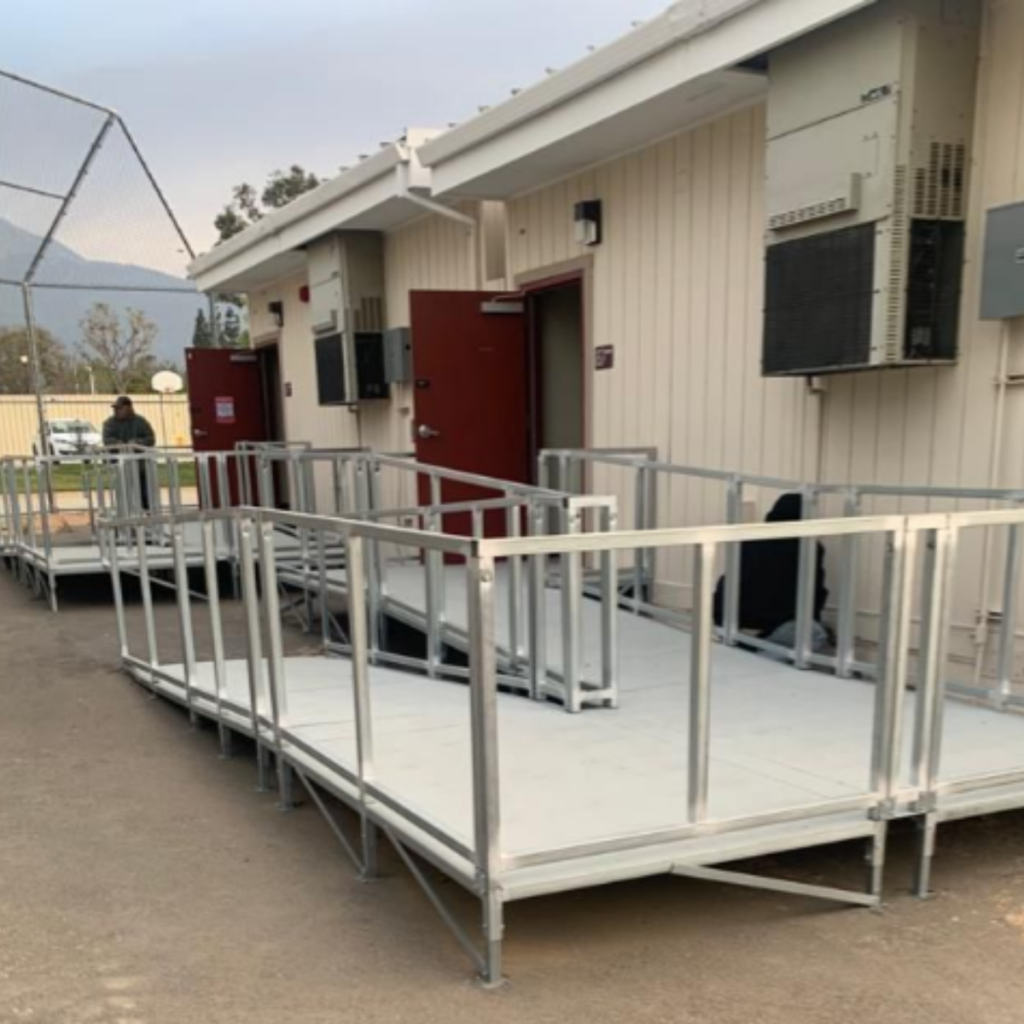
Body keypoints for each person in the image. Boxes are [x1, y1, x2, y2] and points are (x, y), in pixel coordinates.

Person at [712, 492, 830, 655]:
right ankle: (764, 655)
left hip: (728, 619)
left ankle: (745, 646)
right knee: (816, 634)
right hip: (771, 623)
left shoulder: (748, 540)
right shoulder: (809, 548)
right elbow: (814, 592)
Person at [103, 396, 156, 511]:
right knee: (123, 495)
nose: (116, 410)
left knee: (145, 494)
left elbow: (150, 439)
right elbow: (107, 440)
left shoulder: (141, 421)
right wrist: (119, 445)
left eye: (120, 408)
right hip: (120, 466)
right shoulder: (109, 423)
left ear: (129, 407)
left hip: (140, 466)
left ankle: (147, 515)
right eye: (115, 408)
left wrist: (136, 443)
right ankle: (125, 517)